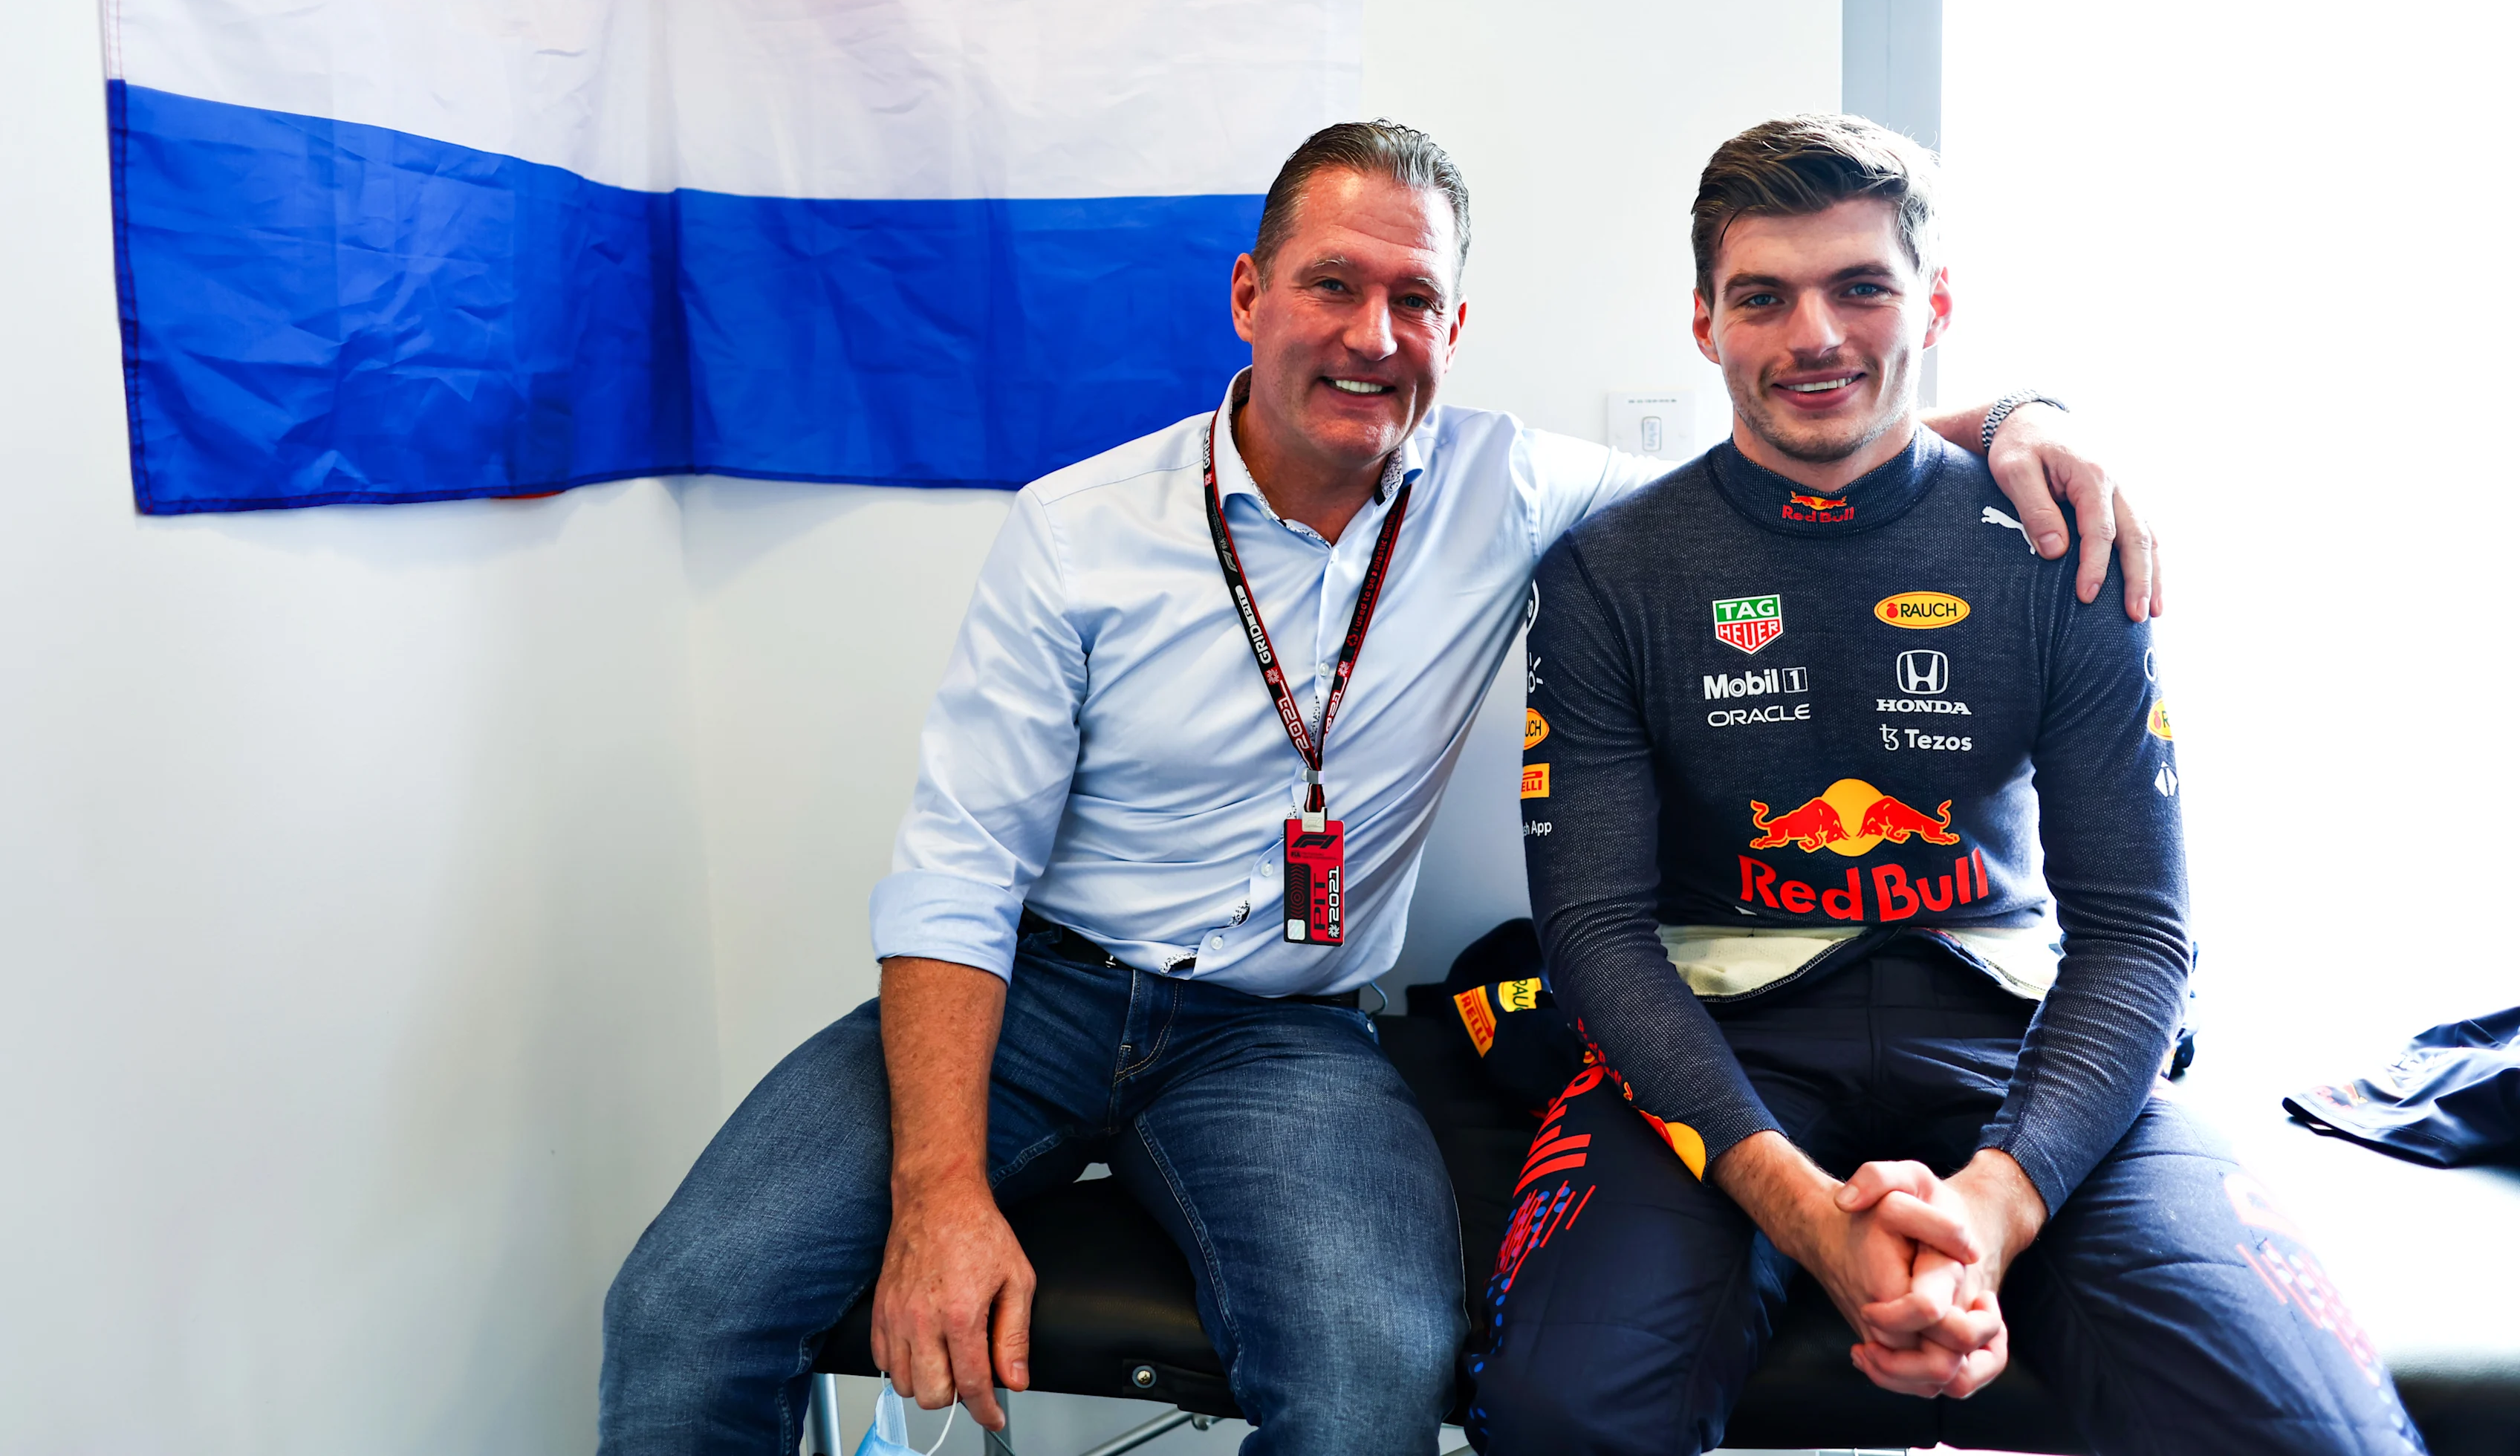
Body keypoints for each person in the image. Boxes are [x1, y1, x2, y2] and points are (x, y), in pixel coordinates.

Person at [597, 120, 2160, 1456]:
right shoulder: (1075, 532)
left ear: (1454, 326)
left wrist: (2026, 420)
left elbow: (1805, 443)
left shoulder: (1517, 489)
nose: (1371, 333)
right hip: (1036, 995)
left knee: (1372, 1378)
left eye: (1415, 298)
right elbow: (955, 874)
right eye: (1332, 284)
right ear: (1248, 295)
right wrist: (939, 1190)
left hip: (1282, 1034)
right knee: (683, 1310)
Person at [1468, 114, 2422, 1455]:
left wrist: (1994, 1204)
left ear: (1938, 304)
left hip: (2018, 1034)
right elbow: (1593, 938)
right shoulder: (1609, 572)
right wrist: (1812, 1220)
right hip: (1721, 1043)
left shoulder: (2057, 542)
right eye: (1764, 297)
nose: (1814, 335)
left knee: (2315, 1434)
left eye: (1861, 286)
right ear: (1703, 323)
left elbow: (2140, 933)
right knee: (1557, 1419)